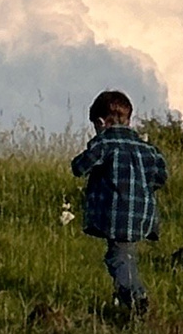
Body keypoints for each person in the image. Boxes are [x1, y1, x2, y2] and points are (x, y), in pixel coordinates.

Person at [70, 87, 169, 315]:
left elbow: (79, 167)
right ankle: (122, 300)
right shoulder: (148, 149)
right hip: (142, 215)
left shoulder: (104, 143)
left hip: (117, 215)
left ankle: (136, 298)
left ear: (101, 122)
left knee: (117, 258)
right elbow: (161, 176)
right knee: (126, 255)